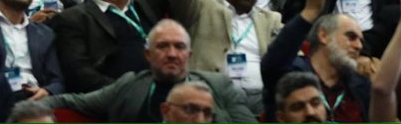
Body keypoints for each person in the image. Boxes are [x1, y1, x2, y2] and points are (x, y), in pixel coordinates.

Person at [41, 19, 255, 122]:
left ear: (189, 56)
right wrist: (21, 112)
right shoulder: (128, 86)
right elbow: (69, 102)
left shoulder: (219, 86)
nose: (172, 54)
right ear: (148, 56)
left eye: (179, 47)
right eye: (163, 46)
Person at [47, 0, 163, 92]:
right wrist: (131, 92)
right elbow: (80, 76)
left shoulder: (145, 1)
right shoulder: (72, 20)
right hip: (118, 99)